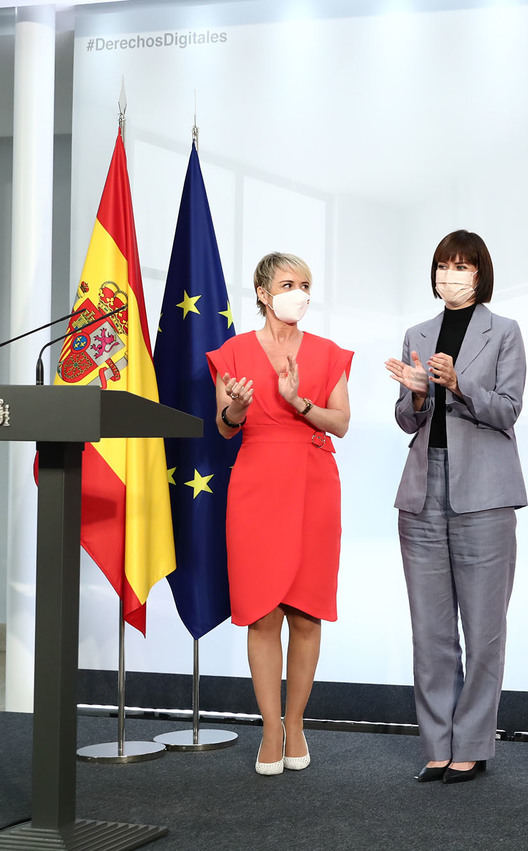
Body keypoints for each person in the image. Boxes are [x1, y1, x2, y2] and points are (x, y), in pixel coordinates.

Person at [385, 230, 527, 785]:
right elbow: (406, 417)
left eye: (462, 266)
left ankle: (472, 743)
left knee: (484, 627)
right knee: (431, 628)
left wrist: (457, 383)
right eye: (444, 265)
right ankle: (437, 744)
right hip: (424, 488)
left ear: (480, 273)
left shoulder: (505, 332)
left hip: (485, 491)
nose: (451, 275)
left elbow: (509, 410)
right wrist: (419, 392)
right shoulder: (416, 333)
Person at [208, 252, 353, 776]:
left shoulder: (328, 353)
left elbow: (341, 422)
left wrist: (298, 402)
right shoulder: (234, 351)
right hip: (256, 484)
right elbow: (225, 426)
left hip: (313, 483)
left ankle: (296, 722)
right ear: (264, 292)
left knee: (307, 610)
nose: (300, 292)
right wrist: (239, 409)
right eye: (289, 283)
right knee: (264, 610)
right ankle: (270, 727)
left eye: (307, 284)